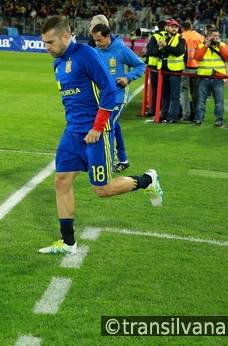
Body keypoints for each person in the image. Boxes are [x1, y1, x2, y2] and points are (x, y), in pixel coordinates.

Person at [39, 16, 163, 255]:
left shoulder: (86, 54)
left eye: (50, 42)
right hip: (72, 133)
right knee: (61, 182)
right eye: (44, 43)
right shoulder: (57, 63)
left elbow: (107, 89)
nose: (47, 47)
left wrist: (97, 127)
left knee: (102, 190)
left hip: (96, 134)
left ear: (66, 36)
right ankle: (68, 243)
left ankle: (148, 180)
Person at [91, 22, 146, 173]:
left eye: (100, 40)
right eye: (95, 40)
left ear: (108, 36)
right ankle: (123, 159)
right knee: (114, 126)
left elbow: (141, 66)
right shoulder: (96, 51)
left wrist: (128, 77)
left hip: (118, 97)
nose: (98, 43)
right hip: (102, 97)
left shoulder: (121, 50)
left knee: (106, 126)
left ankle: (111, 161)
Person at [148, 19, 186, 123]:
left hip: (175, 71)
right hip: (164, 71)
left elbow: (179, 51)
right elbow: (152, 51)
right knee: (165, 95)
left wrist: (165, 46)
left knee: (174, 95)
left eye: (176, 27)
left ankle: (173, 117)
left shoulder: (181, 39)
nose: (174, 28)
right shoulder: (162, 38)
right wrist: (160, 48)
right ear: (167, 28)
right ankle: (164, 115)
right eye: (172, 26)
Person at [194, 27, 228, 127]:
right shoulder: (200, 46)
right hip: (204, 77)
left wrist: (220, 46)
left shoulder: (223, 45)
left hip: (218, 78)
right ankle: (199, 119)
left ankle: (219, 120)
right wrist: (205, 46)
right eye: (214, 36)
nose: (216, 38)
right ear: (208, 37)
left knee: (219, 102)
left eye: (217, 36)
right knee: (201, 101)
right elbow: (197, 57)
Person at [179, 21, 204, 121]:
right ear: (191, 27)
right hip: (197, 68)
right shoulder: (200, 37)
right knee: (195, 92)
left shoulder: (181, 36)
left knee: (184, 91)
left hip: (184, 67)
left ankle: (186, 115)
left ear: (182, 28)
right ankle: (197, 115)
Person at [144, 20, 167, 117]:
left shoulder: (155, 36)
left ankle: (154, 109)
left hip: (154, 66)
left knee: (155, 89)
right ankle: (164, 109)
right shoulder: (171, 36)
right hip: (167, 66)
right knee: (166, 90)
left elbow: (149, 52)